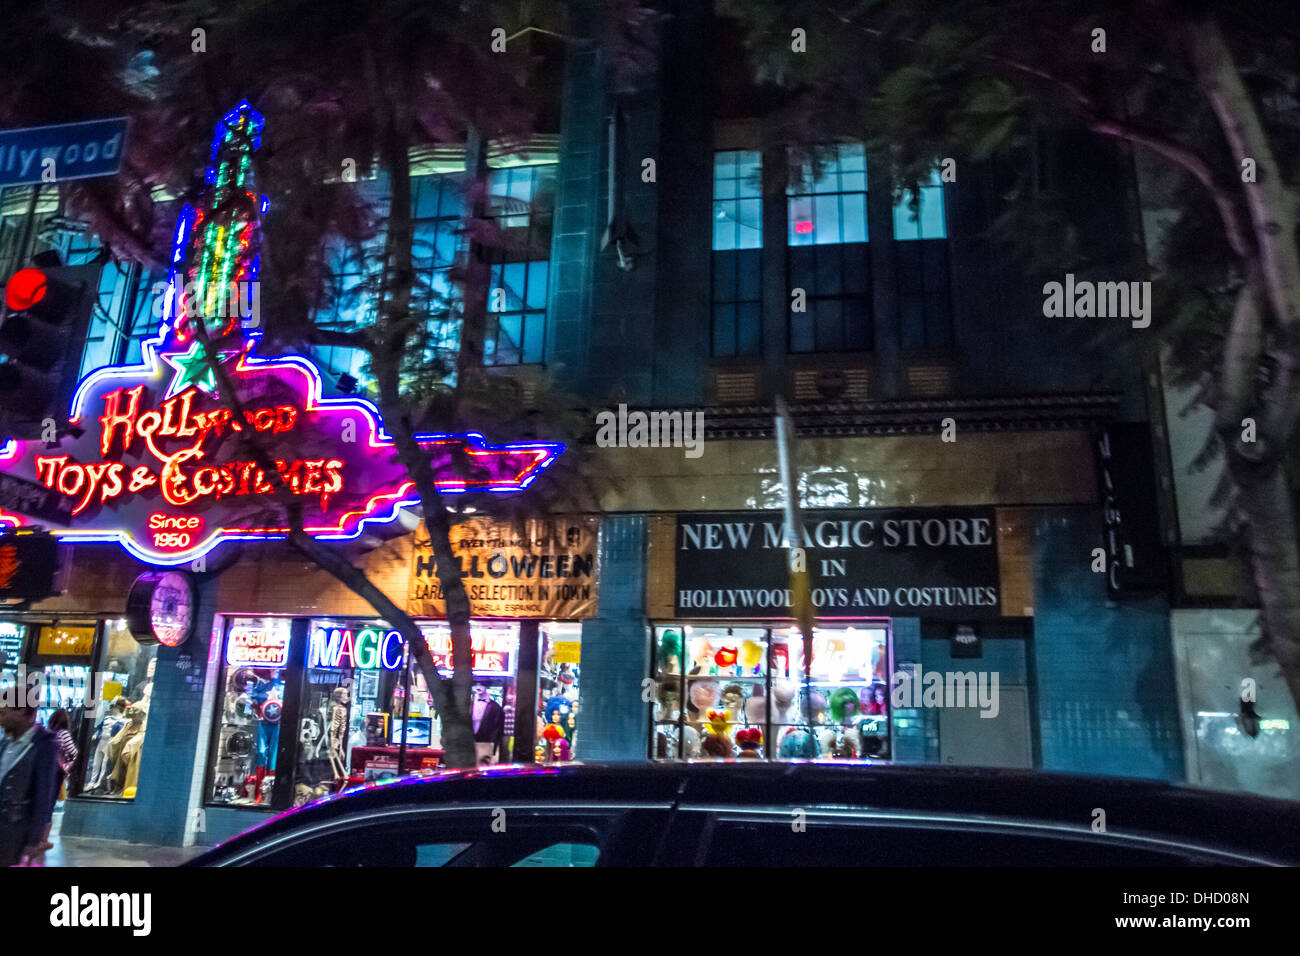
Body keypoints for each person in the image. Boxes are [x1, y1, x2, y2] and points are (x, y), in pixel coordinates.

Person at [0, 704, 59, 867]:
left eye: (3, 713)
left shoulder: (45, 744)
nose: (0, 718)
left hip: (13, 830)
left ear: (20, 712)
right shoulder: (6, 739)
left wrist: (34, 839)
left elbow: (44, 794)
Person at [41, 709, 79, 850]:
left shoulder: (49, 733)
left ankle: (39, 838)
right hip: (55, 773)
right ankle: (43, 839)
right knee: (49, 805)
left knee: (44, 803)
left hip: (47, 771)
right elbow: (74, 753)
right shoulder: (64, 734)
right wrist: (67, 766)